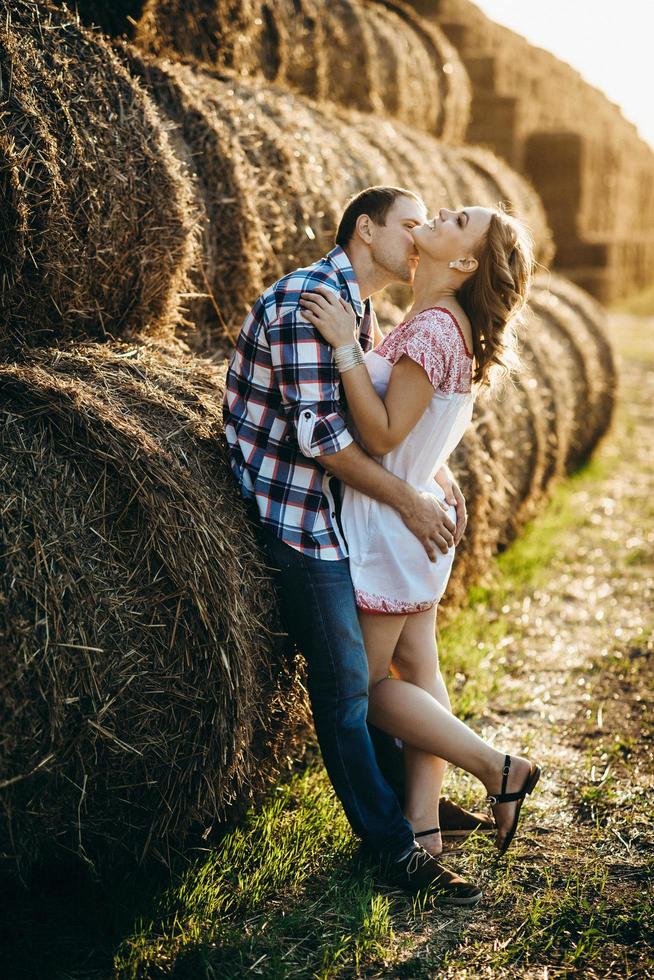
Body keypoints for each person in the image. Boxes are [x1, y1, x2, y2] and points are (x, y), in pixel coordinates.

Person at [224, 186, 486, 905]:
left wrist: (435, 473)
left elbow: (384, 411)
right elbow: (325, 441)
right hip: (296, 511)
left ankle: (415, 802)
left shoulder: (359, 311)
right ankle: (397, 847)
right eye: (409, 223)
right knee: (347, 688)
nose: (419, 232)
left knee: (386, 673)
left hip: (338, 511)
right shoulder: (312, 301)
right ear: (366, 230)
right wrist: (410, 497)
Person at [299, 203, 540, 865]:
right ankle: (424, 824)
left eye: (457, 220)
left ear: (463, 263)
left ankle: (499, 769)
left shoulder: (433, 328)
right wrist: (435, 471)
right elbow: (424, 428)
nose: (438, 214)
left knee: (371, 688)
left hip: (391, 526)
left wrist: (348, 347)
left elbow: (381, 434)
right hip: (416, 518)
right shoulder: (446, 324)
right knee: (421, 672)